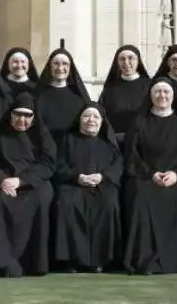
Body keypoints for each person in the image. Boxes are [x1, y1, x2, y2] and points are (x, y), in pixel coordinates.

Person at [121, 78, 177, 275]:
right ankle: (146, 260)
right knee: (140, 195)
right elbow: (132, 156)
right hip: (146, 176)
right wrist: (151, 174)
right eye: (157, 92)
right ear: (150, 96)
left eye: (166, 92)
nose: (162, 96)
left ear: (173, 96)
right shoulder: (139, 122)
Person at [0, 93, 57, 277]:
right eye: (18, 114)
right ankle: (5, 264)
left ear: (34, 117)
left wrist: (21, 181)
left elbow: (48, 165)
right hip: (5, 183)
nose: (22, 119)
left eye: (27, 115)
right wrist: (2, 180)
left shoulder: (42, 136)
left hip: (33, 183)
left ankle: (35, 264)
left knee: (41, 199)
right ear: (10, 114)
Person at [52, 103, 123, 273]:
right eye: (86, 116)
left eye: (96, 117)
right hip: (73, 183)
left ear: (102, 122)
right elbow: (58, 165)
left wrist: (102, 177)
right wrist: (78, 177)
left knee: (108, 203)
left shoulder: (108, 143)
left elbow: (118, 165)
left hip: (102, 184)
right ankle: (70, 260)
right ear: (79, 120)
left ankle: (100, 260)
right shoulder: (67, 140)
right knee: (66, 203)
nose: (91, 120)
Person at [34, 48, 92, 144]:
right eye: (56, 63)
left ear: (70, 68)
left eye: (65, 64)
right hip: (44, 147)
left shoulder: (79, 96)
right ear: (50, 66)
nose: (60, 68)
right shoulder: (38, 94)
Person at [98, 45, 151, 142]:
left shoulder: (150, 85)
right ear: (117, 63)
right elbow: (102, 113)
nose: (126, 62)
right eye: (122, 59)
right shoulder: (110, 88)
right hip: (116, 141)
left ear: (138, 61)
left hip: (142, 140)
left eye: (131, 58)